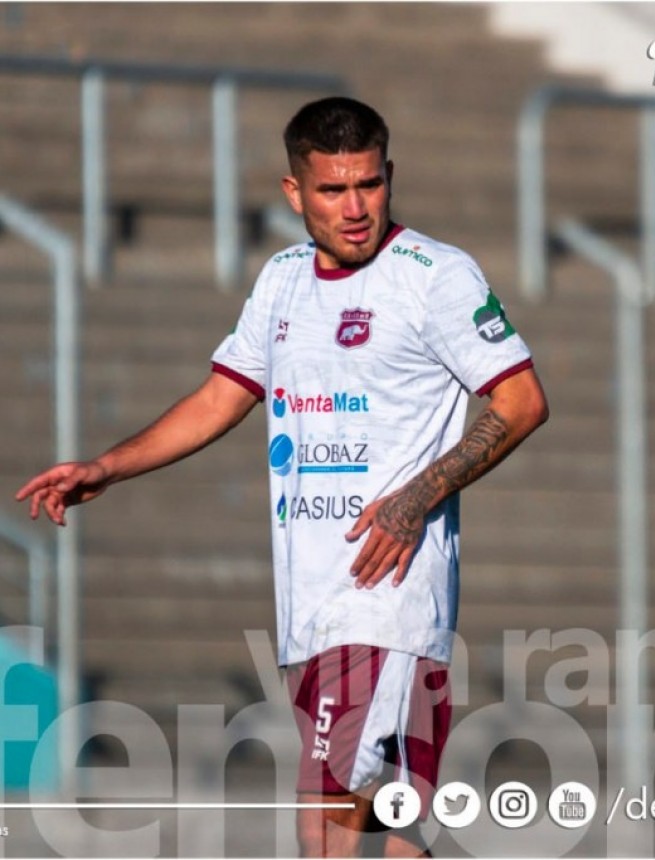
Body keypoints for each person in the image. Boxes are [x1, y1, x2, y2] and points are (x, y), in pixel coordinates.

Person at [16, 96, 549, 857]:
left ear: (389, 176)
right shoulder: (284, 281)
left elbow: (521, 400)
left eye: (369, 184)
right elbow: (219, 397)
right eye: (333, 190)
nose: (356, 207)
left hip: (384, 608)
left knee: (323, 835)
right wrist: (108, 465)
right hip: (315, 604)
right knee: (396, 836)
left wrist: (414, 499)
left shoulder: (435, 277)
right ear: (294, 191)